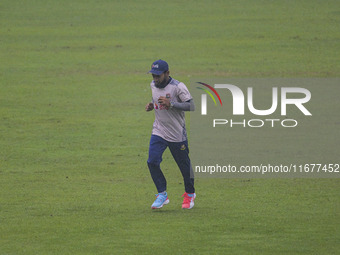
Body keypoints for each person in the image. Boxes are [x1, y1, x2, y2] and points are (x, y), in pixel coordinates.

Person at [145, 59, 196, 210]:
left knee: (184, 166)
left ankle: (190, 193)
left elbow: (191, 105)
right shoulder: (153, 85)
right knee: (152, 161)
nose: (155, 79)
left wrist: (171, 104)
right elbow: (157, 99)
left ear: (167, 73)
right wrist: (151, 105)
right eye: (153, 75)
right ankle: (162, 194)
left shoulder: (178, 87)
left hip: (177, 134)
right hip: (159, 130)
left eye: (158, 76)